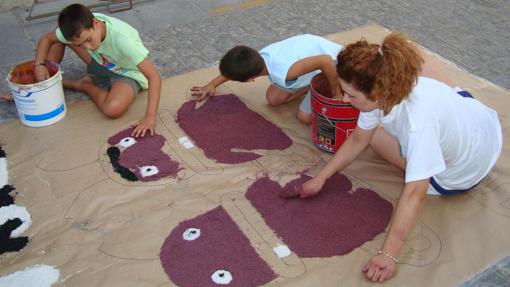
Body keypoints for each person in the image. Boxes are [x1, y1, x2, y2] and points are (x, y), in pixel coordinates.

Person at [299, 32, 502, 283]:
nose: (344, 99)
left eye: (351, 95)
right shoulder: (394, 79)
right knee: (418, 60)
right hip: (482, 124)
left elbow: (416, 189)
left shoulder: (417, 124)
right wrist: (321, 178)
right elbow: (357, 140)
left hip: (460, 174)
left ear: (378, 94)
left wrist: (388, 255)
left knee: (375, 135)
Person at [33, 3, 161, 137]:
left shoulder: (123, 40)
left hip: (127, 74)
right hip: (101, 62)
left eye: (88, 40)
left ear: (96, 23)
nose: (87, 47)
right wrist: (39, 65)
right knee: (58, 38)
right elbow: (46, 39)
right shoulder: (82, 31)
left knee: (113, 109)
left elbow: (154, 77)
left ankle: (83, 85)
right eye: (80, 45)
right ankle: (45, 83)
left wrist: (150, 117)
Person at [190, 34, 343, 124]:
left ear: (250, 79)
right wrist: (211, 84)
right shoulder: (256, 58)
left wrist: (336, 93)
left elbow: (325, 60)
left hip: (335, 64)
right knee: (274, 99)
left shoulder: (285, 71)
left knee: (304, 117)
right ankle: (308, 85)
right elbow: (234, 68)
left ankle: (320, 85)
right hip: (309, 59)